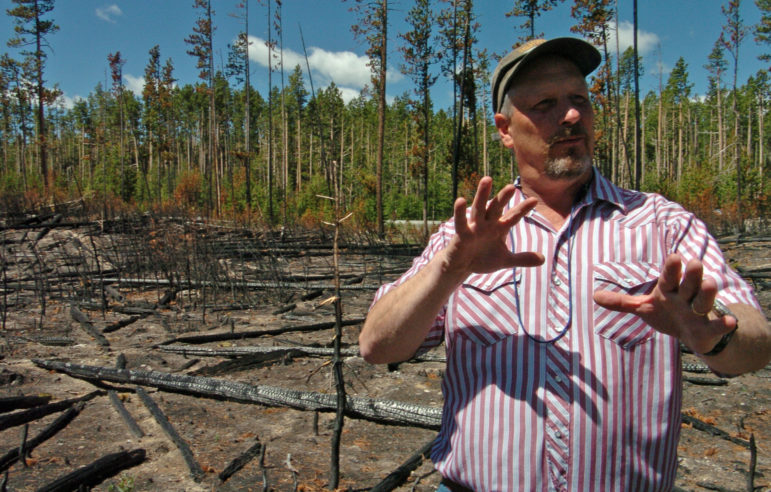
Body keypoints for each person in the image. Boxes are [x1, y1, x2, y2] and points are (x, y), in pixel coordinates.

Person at [359, 37, 771, 491]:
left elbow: (756, 344)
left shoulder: (662, 225)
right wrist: (449, 269)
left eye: (580, 100)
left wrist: (711, 334)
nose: (571, 115)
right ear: (505, 129)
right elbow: (377, 346)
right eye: (546, 104)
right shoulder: (470, 236)